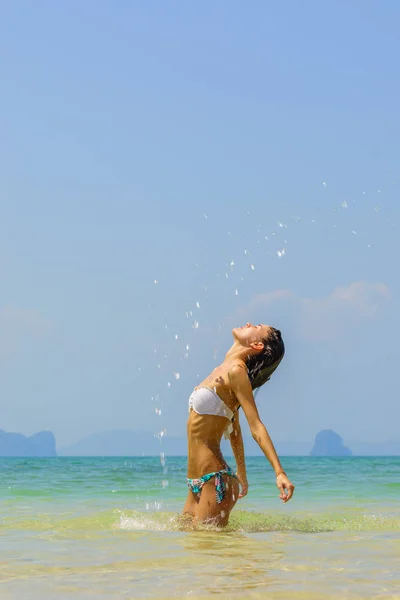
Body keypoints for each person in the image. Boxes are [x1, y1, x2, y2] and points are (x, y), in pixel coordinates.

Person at [183, 322, 295, 527]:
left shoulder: (236, 371)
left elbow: (256, 426)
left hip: (215, 480)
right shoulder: (223, 369)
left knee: (209, 550)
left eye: (258, 326)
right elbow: (234, 428)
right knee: (192, 550)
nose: (250, 323)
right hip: (196, 482)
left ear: (257, 345)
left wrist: (279, 473)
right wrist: (241, 471)